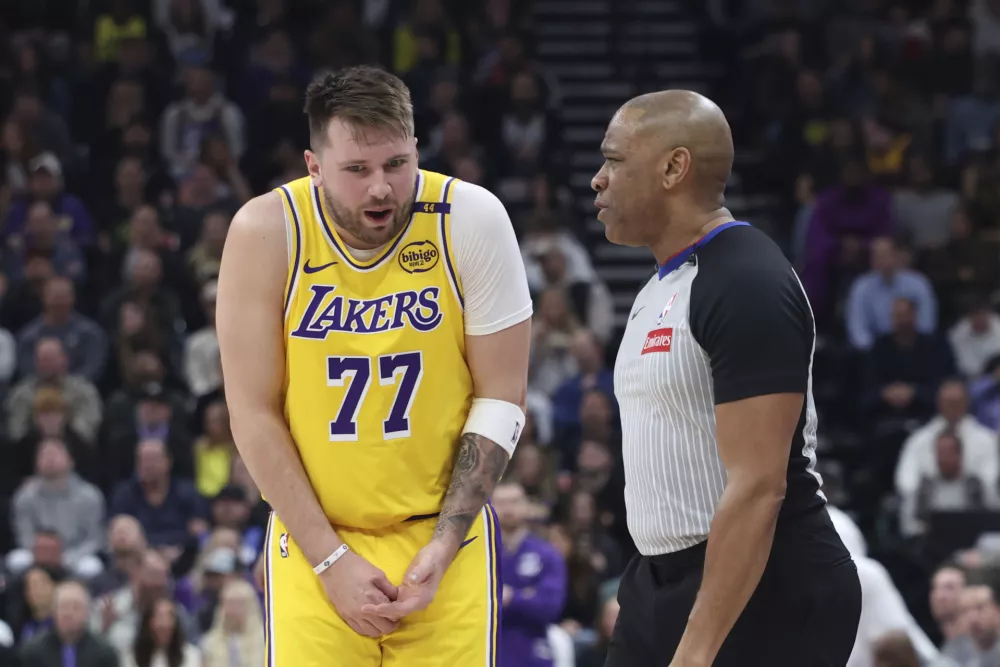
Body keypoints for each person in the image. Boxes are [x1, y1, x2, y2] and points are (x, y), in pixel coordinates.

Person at [216, 65, 533, 665]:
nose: (381, 188)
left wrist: (446, 543)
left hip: (446, 537)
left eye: (396, 164)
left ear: (416, 148)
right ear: (314, 166)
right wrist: (330, 561)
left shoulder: (471, 218)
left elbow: (502, 396)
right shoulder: (266, 231)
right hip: (315, 541)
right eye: (357, 170)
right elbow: (252, 413)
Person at [591, 89, 861, 667]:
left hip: (765, 590)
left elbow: (760, 487)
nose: (598, 179)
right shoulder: (660, 286)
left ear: (673, 168)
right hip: (660, 583)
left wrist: (696, 650)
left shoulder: (746, 280)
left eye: (613, 160)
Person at [494, 479, 568, 667]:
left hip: (532, 655)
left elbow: (550, 606)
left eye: (514, 501)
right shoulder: (479, 555)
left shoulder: (547, 554)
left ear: (527, 506)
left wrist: (510, 598)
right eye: (501, 502)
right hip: (488, 653)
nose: (508, 509)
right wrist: (525, 595)